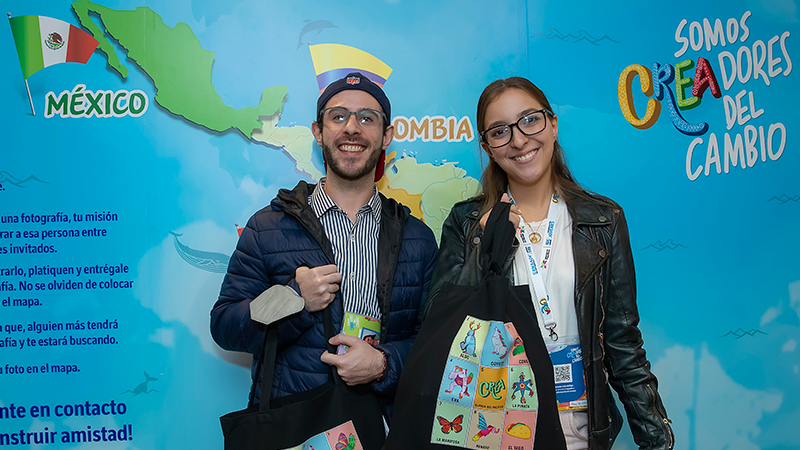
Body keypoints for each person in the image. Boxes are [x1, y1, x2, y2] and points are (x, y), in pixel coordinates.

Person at [428, 77, 673, 450]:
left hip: (583, 433)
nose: (519, 140)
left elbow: (623, 341)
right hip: (498, 429)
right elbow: (439, 331)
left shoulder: (603, 220)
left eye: (530, 120)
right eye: (500, 131)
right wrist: (484, 245)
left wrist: (656, 437)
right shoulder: (467, 223)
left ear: (552, 125)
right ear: (488, 147)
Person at [211, 72, 438, 420]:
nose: (352, 128)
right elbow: (226, 326)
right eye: (338, 116)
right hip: (295, 427)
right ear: (318, 132)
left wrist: (382, 363)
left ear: (386, 135)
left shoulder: (418, 238)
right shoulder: (267, 227)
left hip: (384, 429)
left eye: (367, 118)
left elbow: (436, 341)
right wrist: (293, 300)